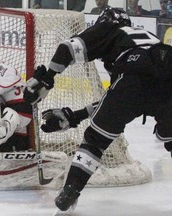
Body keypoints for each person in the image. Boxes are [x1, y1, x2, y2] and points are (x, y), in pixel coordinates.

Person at [23, 7, 172, 212]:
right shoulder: (147, 37)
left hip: (133, 75)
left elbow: (66, 49)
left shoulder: (110, 28)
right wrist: (76, 116)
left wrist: (47, 77)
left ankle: (71, 190)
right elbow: (114, 99)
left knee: (95, 139)